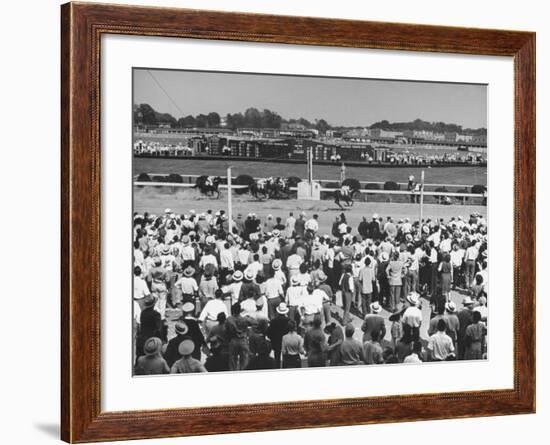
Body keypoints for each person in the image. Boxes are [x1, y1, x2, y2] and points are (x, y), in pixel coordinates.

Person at [225, 302, 251, 371]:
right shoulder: (245, 319)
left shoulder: (229, 319)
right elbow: (255, 323)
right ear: (240, 310)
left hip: (233, 340)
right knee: (244, 361)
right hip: (243, 340)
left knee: (233, 362)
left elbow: (226, 331)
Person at [266, 302, 290, 368]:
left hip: (276, 342)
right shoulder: (288, 321)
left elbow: (269, 332)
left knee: (277, 359)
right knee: (286, 359)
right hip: (286, 342)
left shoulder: (273, 321)